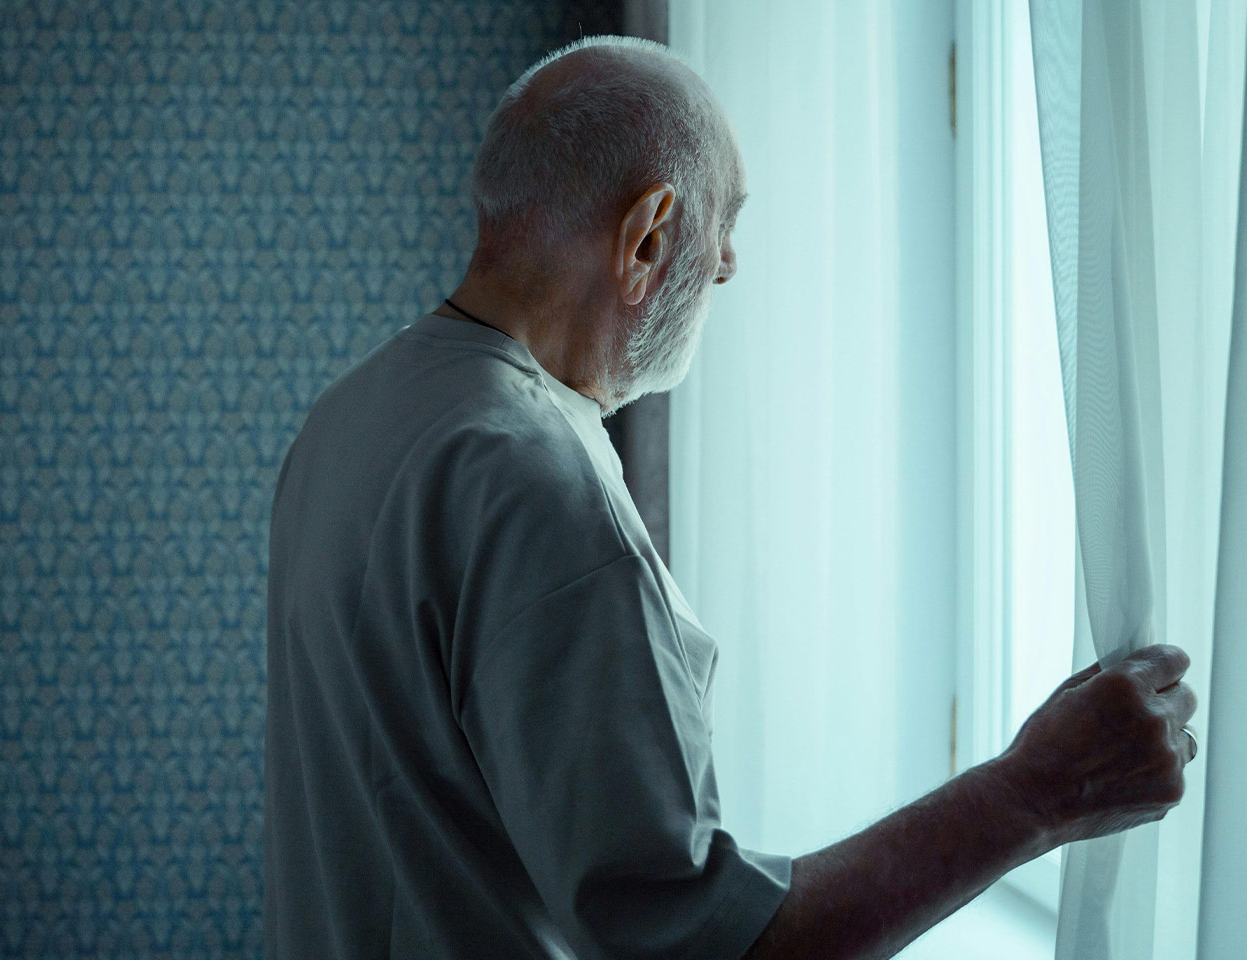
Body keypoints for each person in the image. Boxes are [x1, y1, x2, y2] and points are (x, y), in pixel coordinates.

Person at [263, 34, 1199, 960]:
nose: (727, 266)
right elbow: (707, 951)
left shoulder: (348, 418)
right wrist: (1035, 792)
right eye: (725, 222)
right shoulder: (540, 487)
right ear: (648, 234)